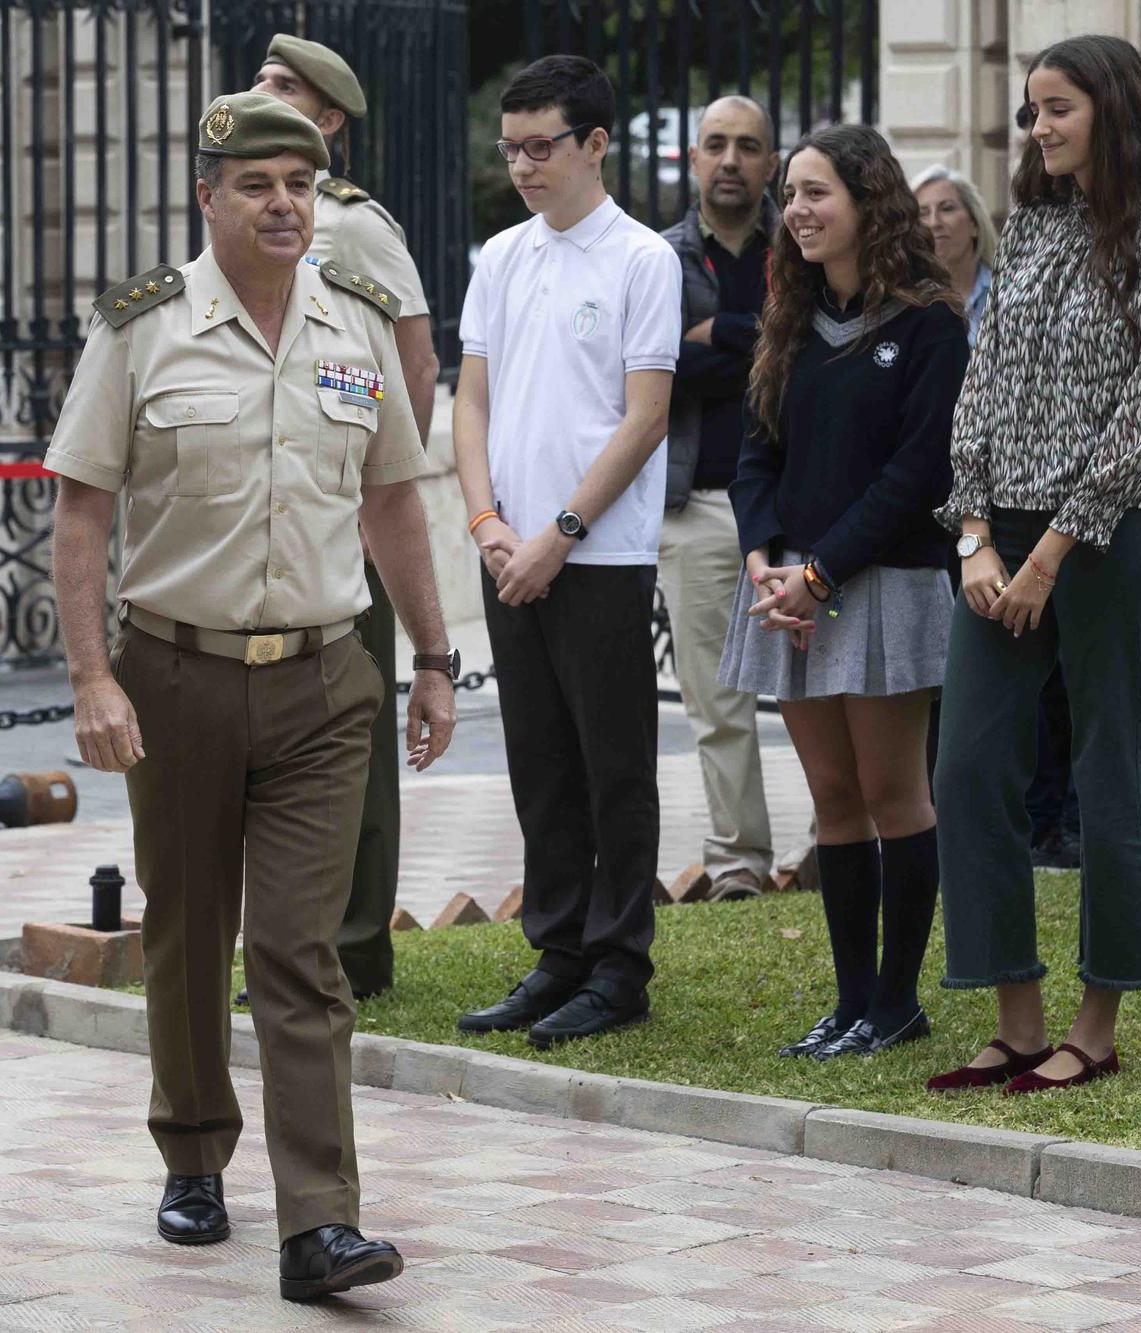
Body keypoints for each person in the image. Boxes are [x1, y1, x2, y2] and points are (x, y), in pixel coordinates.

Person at [45, 92, 459, 1301]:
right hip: (172, 675)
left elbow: (392, 499)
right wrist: (90, 678)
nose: (283, 205)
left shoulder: (356, 325)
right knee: (186, 932)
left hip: (327, 680)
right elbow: (81, 513)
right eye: (257, 185)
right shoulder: (143, 330)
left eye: (300, 184)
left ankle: (320, 1223)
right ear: (207, 199)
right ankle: (191, 1151)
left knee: (299, 950)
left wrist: (431, 657)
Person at [929, 35, 1141, 1095]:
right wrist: (971, 533)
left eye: (1057, 110)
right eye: (1031, 113)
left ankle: (1094, 1023)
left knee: (1104, 772)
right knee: (965, 769)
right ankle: (1014, 1017)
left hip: (1109, 532)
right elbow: (979, 384)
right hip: (996, 533)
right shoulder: (1029, 234)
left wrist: (1051, 547)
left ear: (1110, 109)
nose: (1039, 129)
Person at [722, 123, 967, 1060]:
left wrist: (822, 571)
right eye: (792, 194)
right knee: (831, 800)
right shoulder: (786, 321)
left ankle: (898, 1003)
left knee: (893, 793)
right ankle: (851, 1000)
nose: (797, 209)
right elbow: (756, 457)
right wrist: (763, 557)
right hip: (787, 588)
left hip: (878, 586)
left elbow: (919, 473)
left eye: (817, 192)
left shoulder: (930, 324)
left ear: (871, 201)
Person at [452, 54, 680, 1048]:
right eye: (509, 149)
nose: (521, 166)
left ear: (594, 144)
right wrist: (488, 524)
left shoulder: (640, 260)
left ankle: (618, 961)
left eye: (539, 147)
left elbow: (642, 419)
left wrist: (559, 534)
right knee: (537, 759)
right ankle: (557, 948)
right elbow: (470, 399)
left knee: (611, 762)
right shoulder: (500, 257)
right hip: (508, 551)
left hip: (596, 555)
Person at [251, 32, 441, 997]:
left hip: (345, 525)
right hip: (264, 530)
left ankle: (355, 945)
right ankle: (281, 939)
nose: (262, 89)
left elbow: (413, 363)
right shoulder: (248, 211)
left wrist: (374, 499)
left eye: (285, 86)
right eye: (262, 78)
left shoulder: (355, 226)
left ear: (329, 122)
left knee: (352, 740)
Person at [658, 94, 782, 901]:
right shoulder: (656, 258)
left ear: (771, 161)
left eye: (747, 146)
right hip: (698, 503)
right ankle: (740, 862)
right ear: (694, 159)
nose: (731, 159)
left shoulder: (806, 243)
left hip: (802, 507)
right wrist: (759, 335)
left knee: (843, 693)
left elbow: (813, 363)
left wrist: (715, 337)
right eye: (716, 145)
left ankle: (865, 842)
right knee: (719, 701)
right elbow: (651, 372)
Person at [911, 165, 996, 344]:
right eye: (923, 213)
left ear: (974, 223)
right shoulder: (904, 300)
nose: (934, 222)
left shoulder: (1006, 292)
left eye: (947, 208)